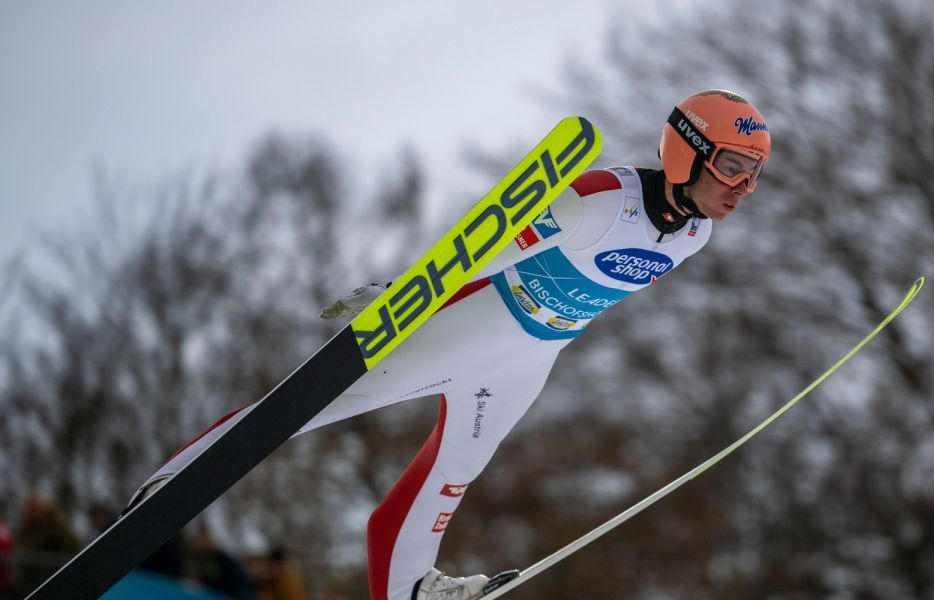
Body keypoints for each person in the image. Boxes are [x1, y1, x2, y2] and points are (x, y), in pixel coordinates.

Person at [128, 90, 770, 600]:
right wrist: (403, 295)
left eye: (754, 175)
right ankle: (168, 487)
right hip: (477, 323)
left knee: (456, 470)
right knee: (308, 406)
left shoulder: (693, 237)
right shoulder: (599, 199)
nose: (742, 186)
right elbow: (481, 250)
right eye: (733, 166)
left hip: (535, 355)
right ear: (687, 151)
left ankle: (408, 589)